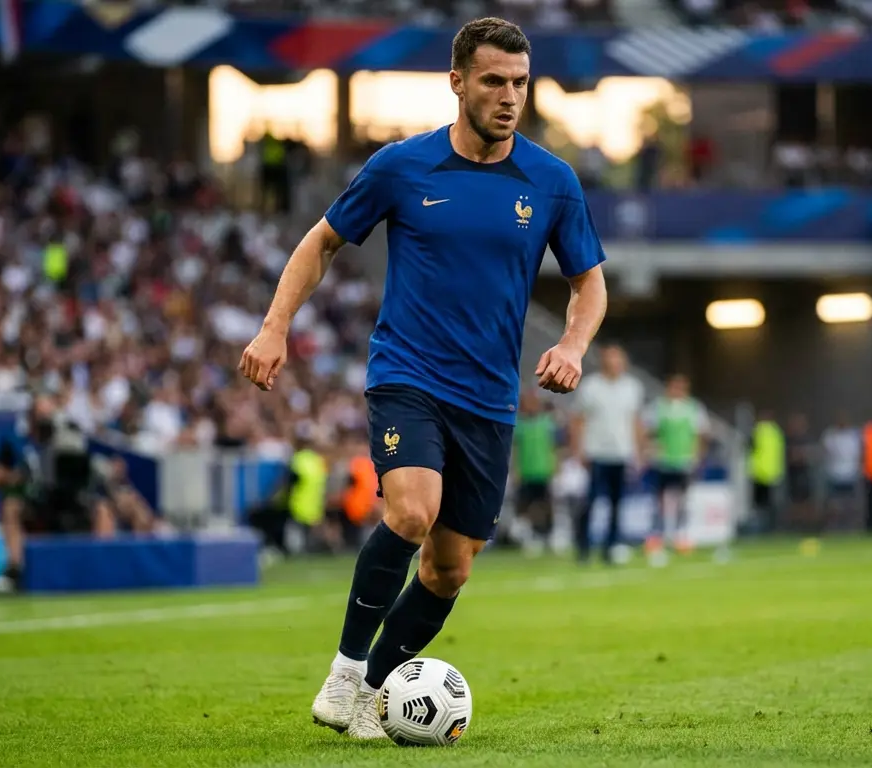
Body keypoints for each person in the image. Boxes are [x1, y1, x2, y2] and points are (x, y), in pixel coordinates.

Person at [237, 17, 608, 740]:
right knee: (410, 511)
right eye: (494, 81)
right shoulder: (401, 167)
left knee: (449, 571)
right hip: (408, 373)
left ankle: (374, 693)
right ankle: (346, 672)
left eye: (520, 83)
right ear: (458, 82)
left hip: (491, 400)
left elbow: (590, 284)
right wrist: (275, 325)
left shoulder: (552, 181)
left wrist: (572, 345)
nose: (509, 96)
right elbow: (321, 243)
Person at [571, 344, 644, 565]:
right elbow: (578, 420)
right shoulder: (591, 387)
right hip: (596, 452)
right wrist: (578, 450)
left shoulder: (632, 387)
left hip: (621, 453)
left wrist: (639, 452)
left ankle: (610, 548)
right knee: (590, 502)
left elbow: (635, 422)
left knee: (616, 504)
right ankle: (583, 548)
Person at [642, 373, 707, 566]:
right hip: (662, 461)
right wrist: (650, 448)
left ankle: (681, 537)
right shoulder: (658, 407)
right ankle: (657, 538)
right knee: (660, 501)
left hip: (684, 461)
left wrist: (697, 455)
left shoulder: (694, 408)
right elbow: (646, 430)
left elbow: (700, 434)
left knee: (683, 501)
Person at [512, 390, 559, 555]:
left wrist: (555, 467)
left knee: (546, 505)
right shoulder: (520, 425)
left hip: (543, 471)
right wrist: (516, 470)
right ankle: (531, 537)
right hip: (527, 472)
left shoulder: (547, 423)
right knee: (527, 507)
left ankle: (549, 535)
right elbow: (516, 450)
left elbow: (553, 448)